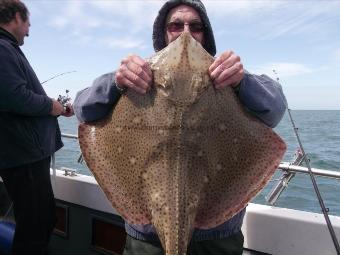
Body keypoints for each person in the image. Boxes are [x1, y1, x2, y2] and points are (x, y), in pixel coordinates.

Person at [73, 0, 287, 254]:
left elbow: (275, 108)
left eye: (195, 26)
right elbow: (82, 109)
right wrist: (116, 81)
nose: (185, 33)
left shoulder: (227, 75)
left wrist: (243, 80)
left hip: (216, 237)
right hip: (146, 238)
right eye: (176, 25)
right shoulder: (137, 74)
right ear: (163, 33)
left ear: (205, 34)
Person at [0, 0, 74, 254]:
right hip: (23, 157)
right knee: (37, 224)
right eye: (28, 22)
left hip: (23, 155)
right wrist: (52, 106)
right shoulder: (2, 47)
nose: (30, 30)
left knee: (38, 221)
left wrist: (58, 109)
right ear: (17, 17)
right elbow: (13, 96)